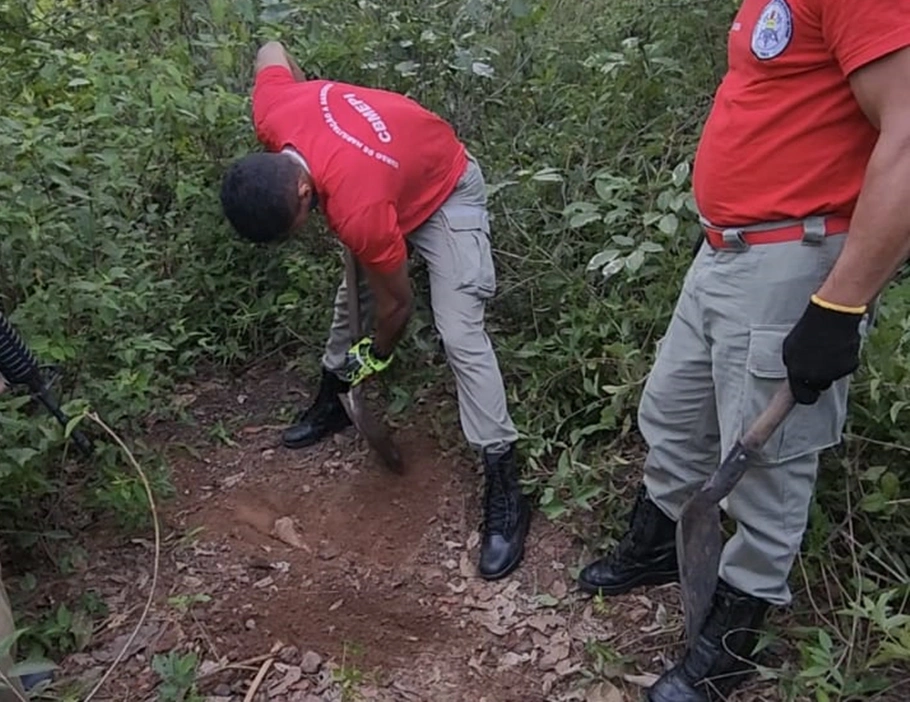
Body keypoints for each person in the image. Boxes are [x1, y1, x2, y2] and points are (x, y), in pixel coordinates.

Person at [577, 2, 910, 701]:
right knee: (671, 414)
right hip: (726, 251)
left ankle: (734, 635)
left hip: (793, 262)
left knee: (766, 467)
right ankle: (657, 547)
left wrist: (839, 307)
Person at [219, 41, 531, 580]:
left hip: (445, 189)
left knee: (459, 331)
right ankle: (335, 399)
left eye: (296, 223)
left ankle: (505, 478)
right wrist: (315, 90)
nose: (302, 233)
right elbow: (273, 47)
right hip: (379, 182)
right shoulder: (274, 110)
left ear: (298, 186)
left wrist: (378, 354)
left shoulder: (356, 207)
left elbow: (398, 305)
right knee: (351, 300)